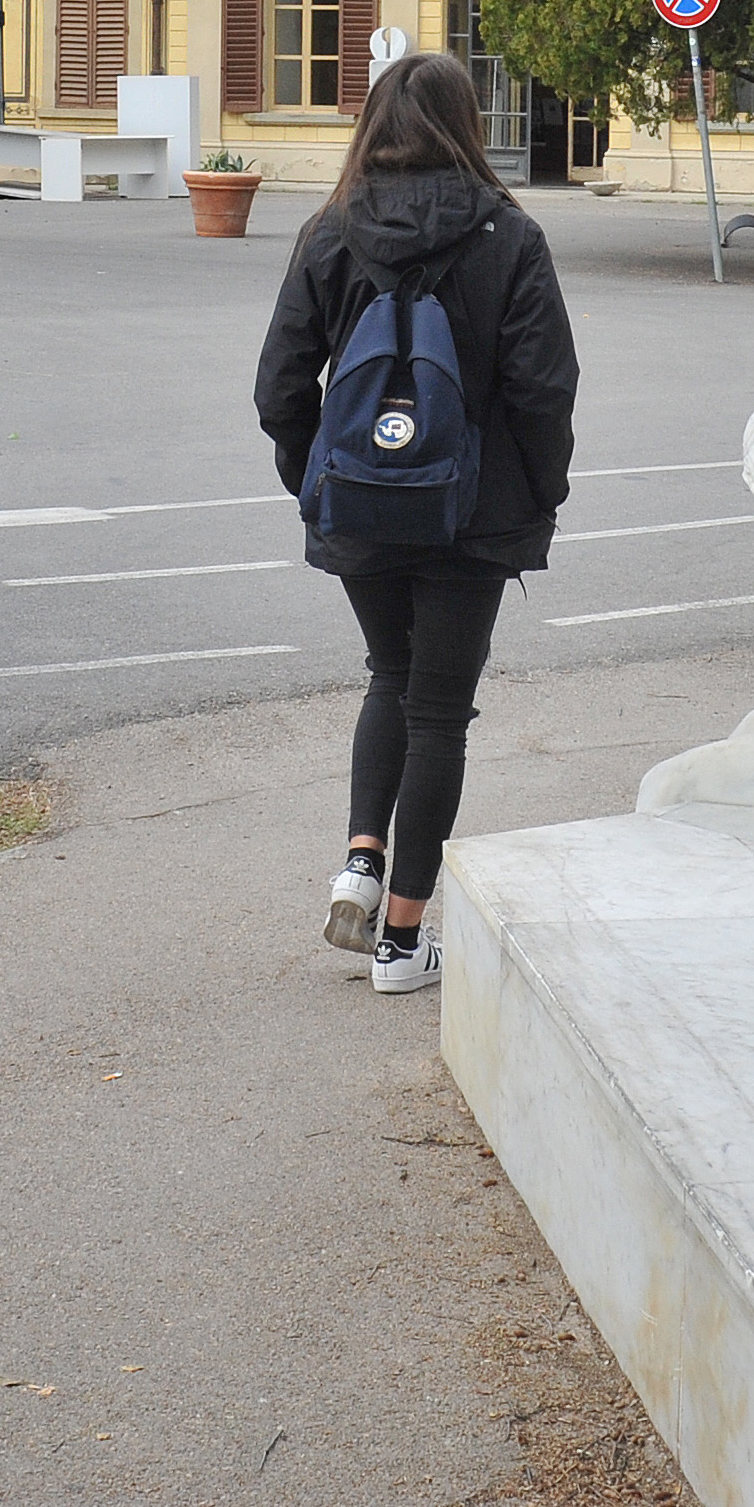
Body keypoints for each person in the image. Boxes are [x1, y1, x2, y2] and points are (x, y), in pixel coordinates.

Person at [255, 49, 579, 993]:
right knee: (438, 708)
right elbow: (543, 389)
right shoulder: (509, 237)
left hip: (358, 502)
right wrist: (539, 495)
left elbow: (280, 385)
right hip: (473, 515)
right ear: (466, 125)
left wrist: (317, 477)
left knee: (386, 674)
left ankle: (362, 857)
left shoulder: (330, 230)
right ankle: (402, 940)